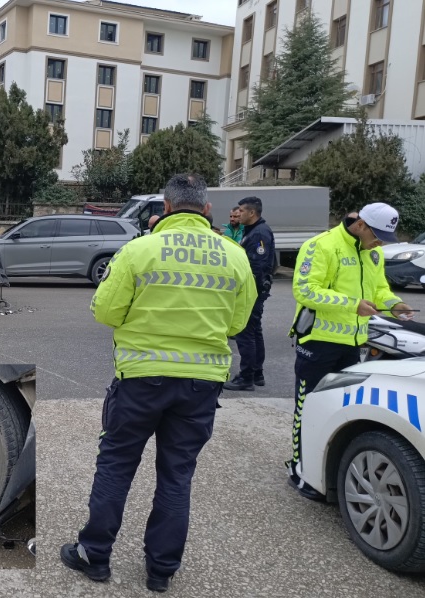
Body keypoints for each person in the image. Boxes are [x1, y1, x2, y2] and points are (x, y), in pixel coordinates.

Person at [60, 174, 256, 592]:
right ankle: (161, 570)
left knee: (116, 466)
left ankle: (94, 555)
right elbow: (238, 322)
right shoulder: (235, 255)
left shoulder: (139, 250)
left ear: (164, 208)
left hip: (141, 380)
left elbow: (106, 312)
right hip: (201, 385)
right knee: (176, 475)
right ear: (206, 210)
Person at [287, 203, 414, 500]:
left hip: (353, 342)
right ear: (360, 225)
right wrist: (350, 304)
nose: (380, 242)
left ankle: (325, 466)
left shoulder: (372, 252)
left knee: (339, 408)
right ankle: (299, 468)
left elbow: (378, 289)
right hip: (318, 343)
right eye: (378, 235)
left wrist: (394, 303)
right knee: (307, 406)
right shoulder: (322, 246)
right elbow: (305, 291)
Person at [224, 197, 275, 391]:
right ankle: (256, 373)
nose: (238, 214)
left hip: (252, 291)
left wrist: (245, 292)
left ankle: (246, 377)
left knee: (246, 333)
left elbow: (257, 266)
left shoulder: (259, 233)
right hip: (255, 290)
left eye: (242, 211)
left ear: (252, 213)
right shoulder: (253, 231)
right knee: (254, 331)